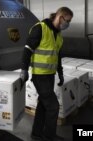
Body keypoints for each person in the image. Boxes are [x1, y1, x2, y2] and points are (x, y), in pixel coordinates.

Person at [20, 7, 73, 141]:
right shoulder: (40, 28)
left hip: (49, 75)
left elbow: (57, 55)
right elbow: (27, 50)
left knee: (43, 105)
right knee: (53, 106)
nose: (68, 24)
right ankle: (50, 136)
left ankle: (37, 134)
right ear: (60, 17)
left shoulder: (58, 34)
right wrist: (24, 69)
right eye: (68, 20)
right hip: (39, 75)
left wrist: (60, 73)